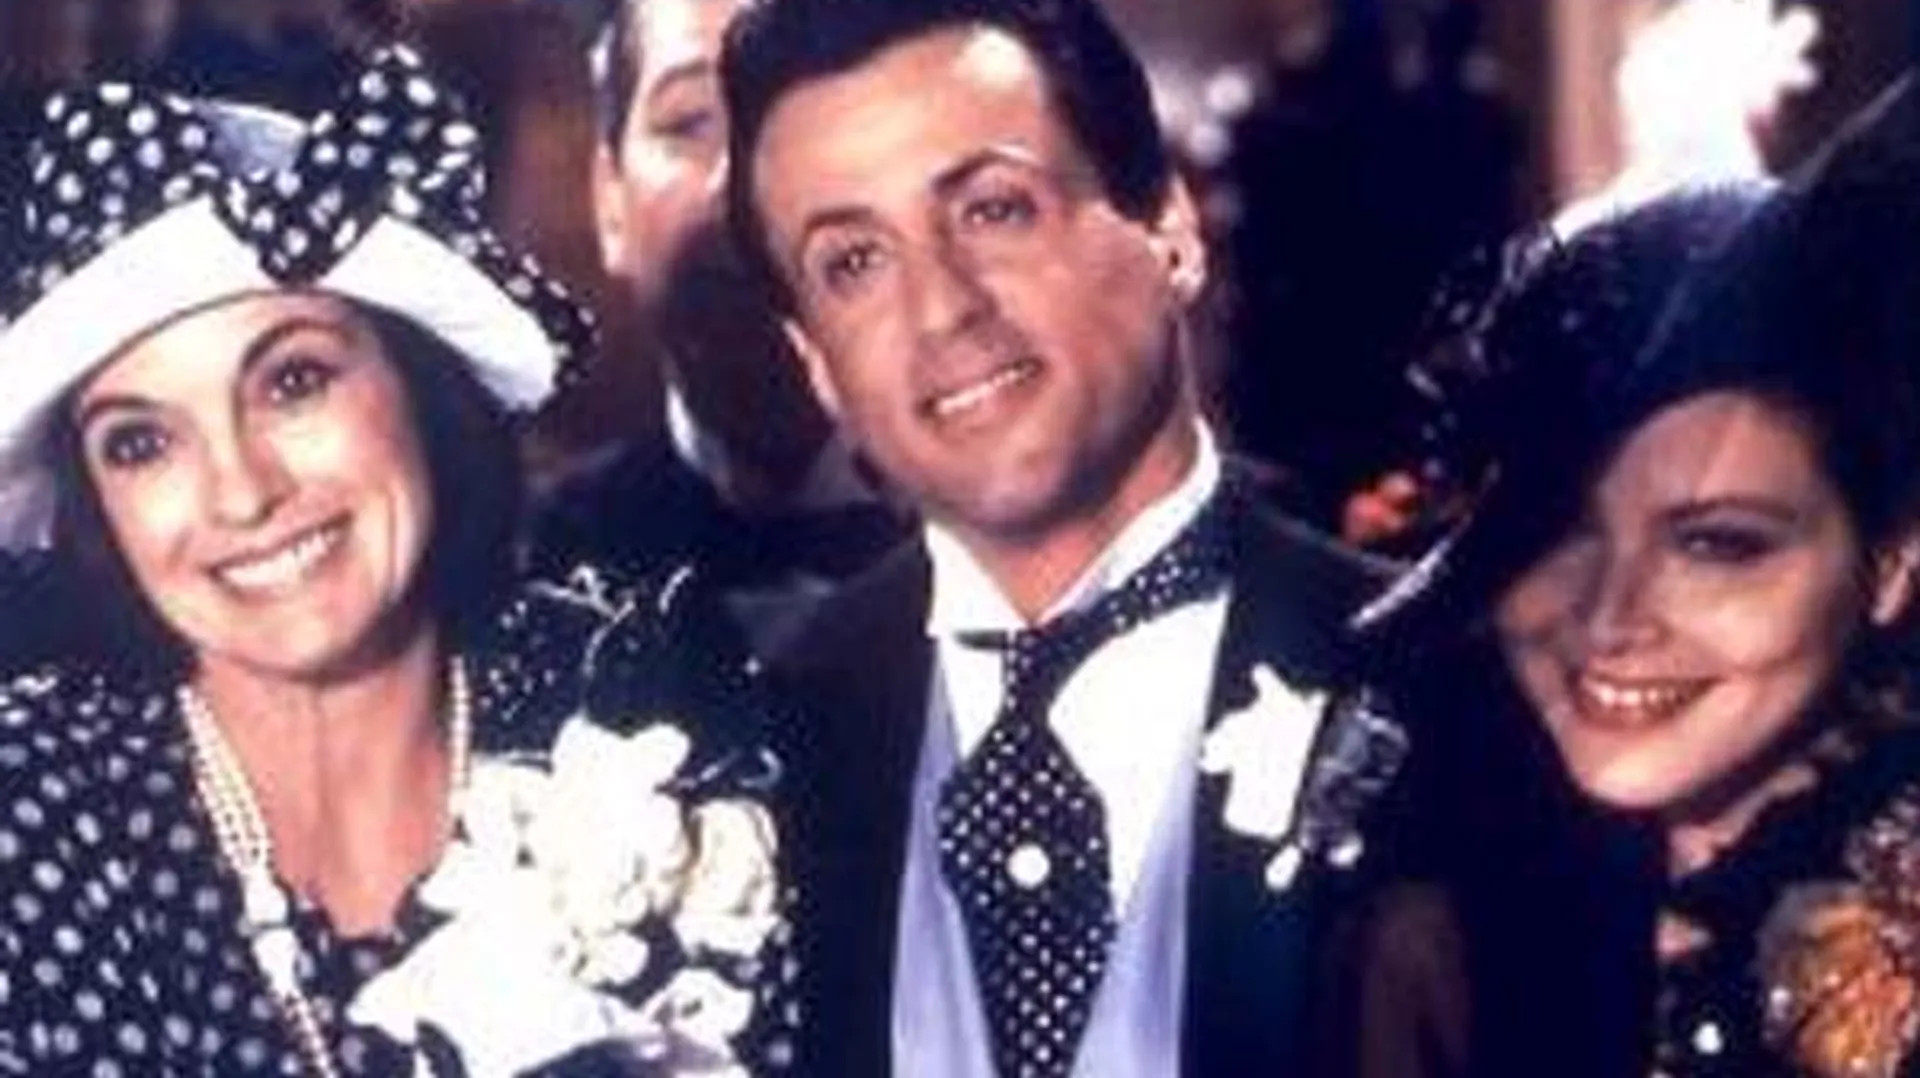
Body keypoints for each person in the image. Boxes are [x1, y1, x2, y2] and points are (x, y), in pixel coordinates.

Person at [0, 47, 791, 1076]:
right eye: (142, 442)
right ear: (98, 505)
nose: (241, 493)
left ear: (422, 387)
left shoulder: (654, 703)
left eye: (292, 381)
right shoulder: (33, 807)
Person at [720, 0, 1408, 1073]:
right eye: (853, 262)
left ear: (1170, 229)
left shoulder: (1439, 678)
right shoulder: (750, 746)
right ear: (816, 363)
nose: (941, 308)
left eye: (994, 209)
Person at [1358, 75, 1920, 1078]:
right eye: (1557, 530)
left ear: (1889, 560)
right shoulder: (1435, 935)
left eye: (1718, 544)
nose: (1611, 618)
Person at [529, 0, 907, 633]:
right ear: (609, 198)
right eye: (690, 122)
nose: (736, 183)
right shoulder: (517, 573)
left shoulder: (1034, 519)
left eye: (795, 108)